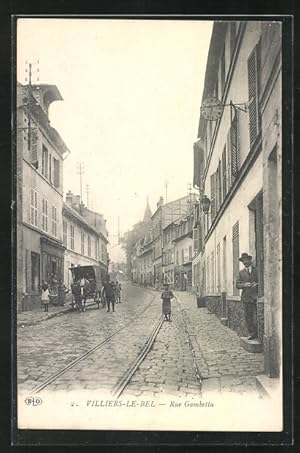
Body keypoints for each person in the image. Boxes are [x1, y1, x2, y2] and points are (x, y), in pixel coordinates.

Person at [236, 252, 259, 340]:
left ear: (249, 260)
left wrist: (256, 284)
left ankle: (256, 333)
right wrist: (245, 285)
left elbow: (261, 281)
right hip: (246, 298)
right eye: (243, 261)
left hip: (255, 297)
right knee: (247, 317)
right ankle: (251, 333)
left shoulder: (256, 270)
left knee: (255, 316)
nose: (244, 262)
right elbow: (237, 285)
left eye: (246, 260)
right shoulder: (241, 273)